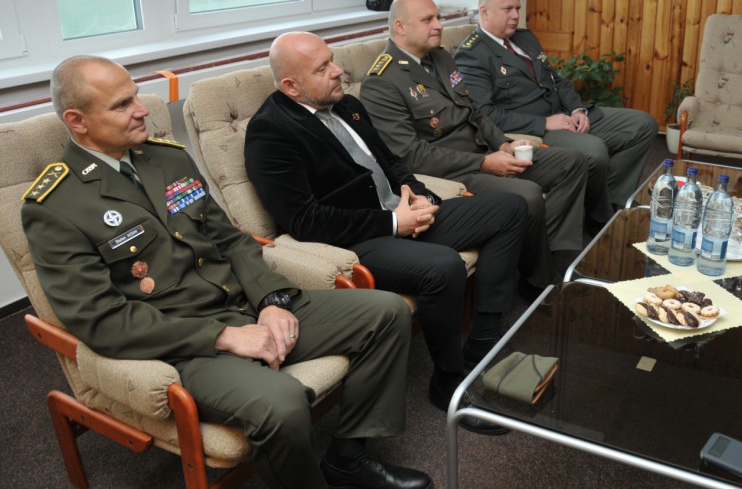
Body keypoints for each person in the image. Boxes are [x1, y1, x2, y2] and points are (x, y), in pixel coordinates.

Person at [21, 55, 433, 489]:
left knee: (386, 313)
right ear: (77, 121)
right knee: (282, 403)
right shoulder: (55, 206)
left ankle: (349, 457)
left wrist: (271, 301)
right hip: (184, 343)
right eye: (122, 105)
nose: (142, 109)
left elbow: (231, 240)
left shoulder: (166, 159)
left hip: (242, 303)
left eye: (136, 96)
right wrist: (223, 336)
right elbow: (100, 320)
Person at [244, 32, 527, 435]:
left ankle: (483, 339)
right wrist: (394, 223)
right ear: (291, 86)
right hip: (358, 241)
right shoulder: (270, 132)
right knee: (444, 265)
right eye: (323, 68)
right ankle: (448, 382)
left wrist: (419, 195)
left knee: (510, 208)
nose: (338, 71)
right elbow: (304, 220)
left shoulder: (347, 104)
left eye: (333, 60)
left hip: (402, 214)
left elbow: (391, 162)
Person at [358, 0, 590, 287]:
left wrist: (503, 143)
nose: (439, 25)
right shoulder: (382, 81)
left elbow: (474, 110)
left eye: (438, 18)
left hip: (485, 152)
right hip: (454, 171)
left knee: (572, 162)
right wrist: (484, 163)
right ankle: (539, 282)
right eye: (428, 20)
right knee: (529, 194)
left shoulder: (440, 57)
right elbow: (411, 156)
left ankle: (556, 253)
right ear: (400, 27)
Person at [453, 0, 658, 210]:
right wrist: (545, 123)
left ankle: (614, 201)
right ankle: (602, 214)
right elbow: (486, 114)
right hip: (534, 129)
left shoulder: (525, 38)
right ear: (484, 12)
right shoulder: (472, 54)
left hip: (565, 115)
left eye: (518, 9)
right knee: (595, 151)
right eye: (508, 9)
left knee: (643, 124)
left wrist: (577, 109)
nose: (515, 15)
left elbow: (556, 80)